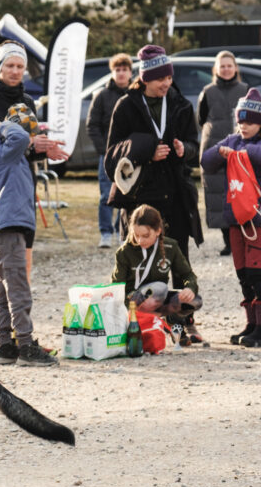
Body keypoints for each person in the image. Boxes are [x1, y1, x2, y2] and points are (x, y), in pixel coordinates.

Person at [0, 40, 67, 362]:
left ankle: (9, 341)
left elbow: (27, 145)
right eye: (9, 65)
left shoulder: (26, 100)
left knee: (20, 270)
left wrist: (44, 149)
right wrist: (24, 140)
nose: (15, 71)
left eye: (20, 66)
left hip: (22, 195)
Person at [106, 44, 203, 342]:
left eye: (169, 78)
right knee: (138, 265)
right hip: (140, 201)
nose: (166, 84)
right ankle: (140, 326)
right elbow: (111, 155)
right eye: (160, 78)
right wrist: (147, 151)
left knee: (177, 262)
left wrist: (183, 149)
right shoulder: (126, 105)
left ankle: (182, 328)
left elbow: (194, 147)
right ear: (145, 78)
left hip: (175, 196)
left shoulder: (181, 105)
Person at [201, 89, 261, 347]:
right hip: (236, 216)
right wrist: (222, 151)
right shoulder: (233, 140)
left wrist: (245, 154)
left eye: (248, 122)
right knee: (242, 272)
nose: (243, 126)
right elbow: (207, 162)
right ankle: (253, 323)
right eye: (239, 121)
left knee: (255, 270)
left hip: (259, 217)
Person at [0, 105, 58, 367]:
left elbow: (23, 139)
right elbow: (21, 137)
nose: (31, 140)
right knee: (18, 286)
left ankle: (5, 346)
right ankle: (25, 345)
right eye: (31, 133)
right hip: (8, 226)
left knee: (5, 287)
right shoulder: (9, 151)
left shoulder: (8, 154)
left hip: (6, 226)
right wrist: (4, 125)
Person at [110, 204, 202, 345]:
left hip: (157, 298)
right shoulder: (124, 252)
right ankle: (146, 322)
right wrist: (128, 304)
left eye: (146, 236)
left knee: (194, 301)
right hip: (133, 302)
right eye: (137, 235)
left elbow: (188, 274)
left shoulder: (170, 247)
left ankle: (170, 322)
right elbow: (116, 287)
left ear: (158, 231)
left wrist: (189, 288)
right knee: (159, 288)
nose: (141, 240)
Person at [197, 50, 249, 256]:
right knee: (219, 195)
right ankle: (229, 242)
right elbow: (201, 119)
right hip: (215, 147)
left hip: (241, 148)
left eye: (230, 65)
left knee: (243, 193)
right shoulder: (207, 92)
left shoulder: (245, 89)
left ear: (235, 68)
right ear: (216, 70)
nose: (226, 69)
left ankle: (249, 239)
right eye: (222, 66)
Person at [87, 52, 132, 248]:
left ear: (131, 72)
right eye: (117, 70)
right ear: (112, 72)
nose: (121, 74)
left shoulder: (135, 94)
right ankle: (105, 232)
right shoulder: (102, 96)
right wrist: (103, 150)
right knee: (106, 194)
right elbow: (92, 125)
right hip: (108, 155)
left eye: (125, 70)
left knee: (126, 194)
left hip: (131, 155)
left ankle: (121, 230)